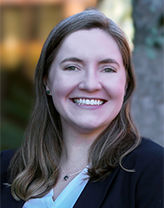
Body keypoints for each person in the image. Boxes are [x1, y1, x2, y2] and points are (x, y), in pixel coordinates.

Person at [1, 9, 163, 208]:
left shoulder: (153, 170)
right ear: (47, 81)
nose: (90, 84)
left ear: (126, 83)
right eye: (72, 67)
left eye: (107, 69)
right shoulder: (6, 168)